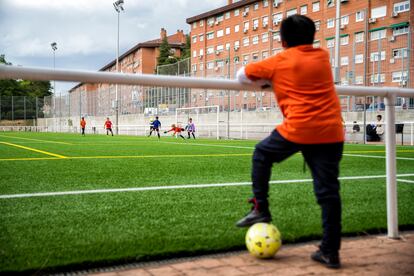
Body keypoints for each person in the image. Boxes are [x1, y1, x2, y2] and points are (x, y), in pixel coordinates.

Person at [235, 15, 344, 269]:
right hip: (331, 131)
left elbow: (242, 75)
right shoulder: (323, 57)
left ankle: (261, 207)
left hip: (299, 128)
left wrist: (269, 79)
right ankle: (330, 251)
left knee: (261, 153)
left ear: (282, 41)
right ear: (312, 37)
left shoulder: (279, 60)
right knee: (328, 193)